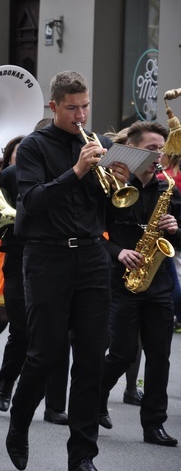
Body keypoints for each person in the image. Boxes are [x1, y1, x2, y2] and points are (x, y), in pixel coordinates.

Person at [6, 71, 124, 471]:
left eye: (85, 106)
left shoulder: (100, 146)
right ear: (54, 106)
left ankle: (82, 460)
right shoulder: (35, 147)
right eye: (72, 107)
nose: (81, 115)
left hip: (92, 255)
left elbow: (114, 207)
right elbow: (32, 202)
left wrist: (126, 179)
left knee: (91, 357)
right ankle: (19, 422)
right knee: (45, 355)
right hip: (47, 256)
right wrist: (76, 170)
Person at [99, 121, 178, 447]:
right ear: (132, 151)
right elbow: (94, 234)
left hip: (158, 281)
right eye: (151, 148)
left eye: (161, 147)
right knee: (121, 352)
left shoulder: (168, 188)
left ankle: (154, 425)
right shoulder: (112, 187)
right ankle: (95, 398)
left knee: (160, 356)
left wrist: (175, 228)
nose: (158, 153)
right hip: (122, 282)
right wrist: (118, 252)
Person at [0, 137, 70, 425]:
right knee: (22, 328)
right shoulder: (11, 174)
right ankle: (7, 381)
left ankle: (55, 405)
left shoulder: (74, 172)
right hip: (20, 255)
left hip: (60, 259)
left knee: (59, 334)